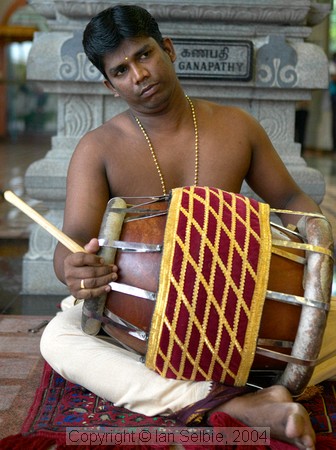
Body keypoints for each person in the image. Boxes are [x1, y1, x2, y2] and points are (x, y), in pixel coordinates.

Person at [39, 5, 328, 449]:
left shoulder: (236, 126)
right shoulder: (98, 147)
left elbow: (289, 199)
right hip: (138, 319)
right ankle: (226, 402)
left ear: (168, 50)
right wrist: (72, 269)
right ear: (109, 85)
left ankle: (201, 392)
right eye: (120, 70)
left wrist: (317, 241)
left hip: (239, 304)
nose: (138, 74)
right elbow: (73, 237)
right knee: (59, 340)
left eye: (144, 55)